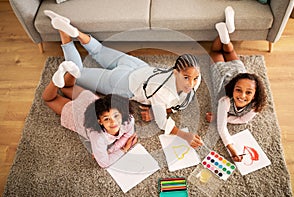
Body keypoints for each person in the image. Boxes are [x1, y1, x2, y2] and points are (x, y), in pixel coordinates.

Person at [43, 10, 203, 148]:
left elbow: (176, 104)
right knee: (79, 72)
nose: (191, 83)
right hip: (122, 83)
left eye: (195, 78)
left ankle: (75, 32)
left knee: (99, 50)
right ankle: (65, 35)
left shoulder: (190, 78)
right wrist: (185, 135)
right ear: (175, 73)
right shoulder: (163, 93)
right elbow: (163, 123)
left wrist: (160, 110)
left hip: (137, 66)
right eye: (187, 78)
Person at [42, 62, 138, 168]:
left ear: (122, 113)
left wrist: (111, 150)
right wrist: (123, 149)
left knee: (66, 88)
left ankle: (73, 72)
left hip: (91, 101)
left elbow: (129, 134)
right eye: (107, 119)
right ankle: (55, 81)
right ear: (99, 121)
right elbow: (104, 163)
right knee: (49, 99)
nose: (113, 122)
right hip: (76, 114)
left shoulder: (128, 120)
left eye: (116, 116)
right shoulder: (98, 137)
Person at [206, 6, 267, 162]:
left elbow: (242, 120)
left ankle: (227, 34)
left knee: (219, 52)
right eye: (239, 90)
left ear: (255, 95)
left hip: (240, 73)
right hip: (225, 75)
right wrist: (232, 149)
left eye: (248, 93)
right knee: (217, 52)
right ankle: (227, 34)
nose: (242, 96)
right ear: (233, 88)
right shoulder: (225, 100)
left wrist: (223, 118)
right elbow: (222, 127)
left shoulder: (255, 105)